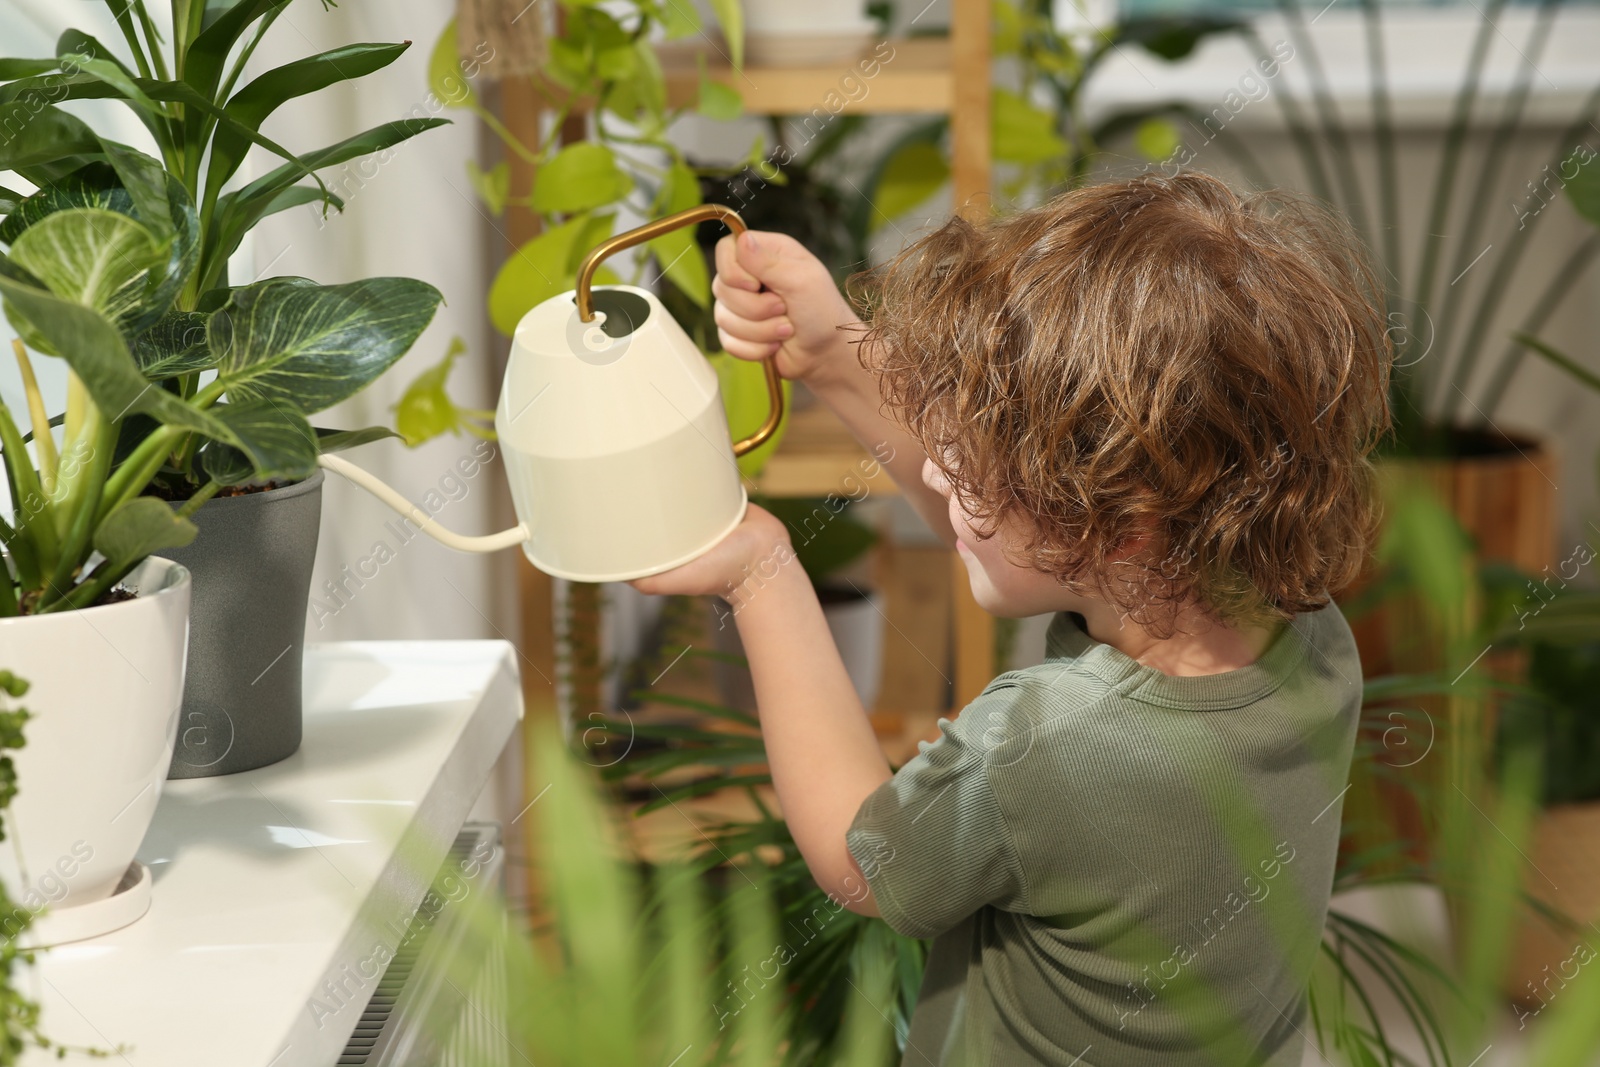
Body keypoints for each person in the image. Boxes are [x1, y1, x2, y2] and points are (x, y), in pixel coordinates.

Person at [631, 171, 1391, 1066]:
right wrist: (838, 353)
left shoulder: (1041, 746)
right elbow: (1029, 541)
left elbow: (858, 859)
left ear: (1119, 524)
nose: (943, 471)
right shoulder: (1311, 637)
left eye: (978, 460)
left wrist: (761, 572)